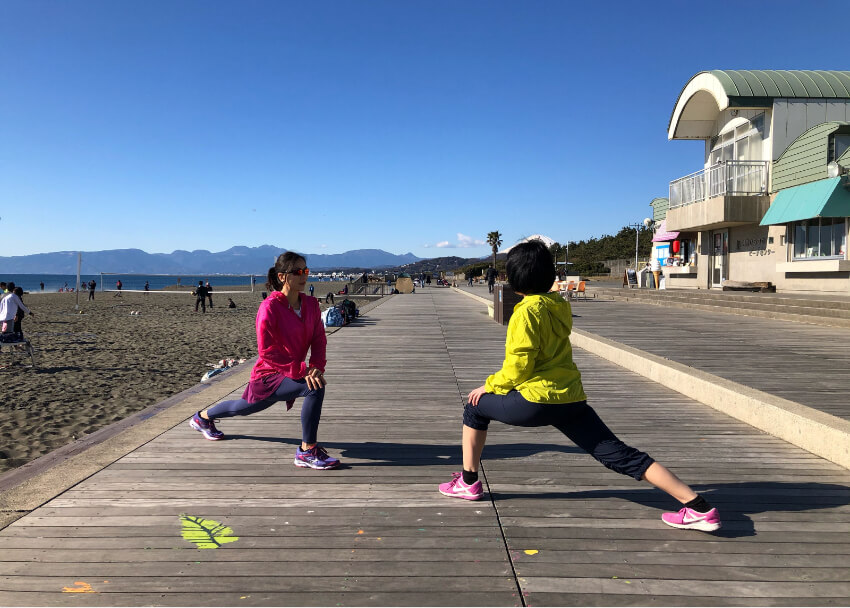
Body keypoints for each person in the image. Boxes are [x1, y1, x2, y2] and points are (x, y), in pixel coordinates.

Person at [438, 241, 721, 532]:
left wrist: (489, 386)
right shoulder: (558, 304)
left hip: (535, 401)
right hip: (570, 399)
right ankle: (698, 506)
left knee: (474, 408)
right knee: (618, 454)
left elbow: (518, 367)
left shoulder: (525, 312)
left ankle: (469, 483)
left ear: (513, 277)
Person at [189, 252, 340, 470]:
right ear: (282, 277)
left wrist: (316, 367)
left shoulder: (312, 305)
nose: (304, 276)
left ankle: (202, 418)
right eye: (298, 272)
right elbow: (267, 351)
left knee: (243, 407)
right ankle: (307, 451)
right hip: (269, 374)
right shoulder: (269, 307)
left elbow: (319, 340)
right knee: (312, 388)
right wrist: (302, 370)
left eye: (306, 271)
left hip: (291, 373)